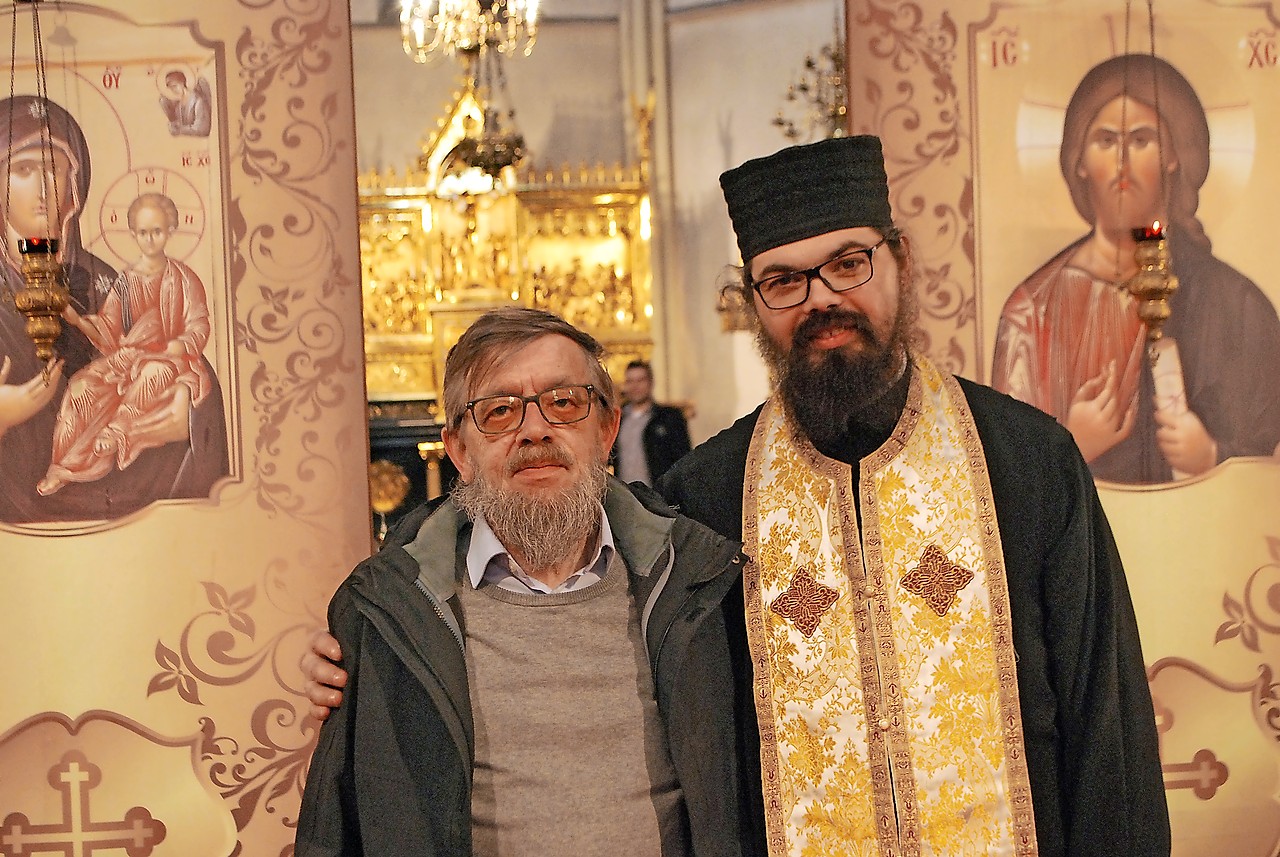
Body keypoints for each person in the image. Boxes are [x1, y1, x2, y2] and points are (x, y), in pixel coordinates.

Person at [306, 137, 1169, 854]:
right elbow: (523, 500)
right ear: (755, 302)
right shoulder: (708, 494)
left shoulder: (1027, 460)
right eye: (784, 280)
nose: (822, 299)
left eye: (848, 263)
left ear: (898, 262)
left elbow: (1108, 723)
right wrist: (361, 629)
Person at [294, 307, 754, 856]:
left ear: (607, 430)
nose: (534, 430)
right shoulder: (387, 612)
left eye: (564, 403)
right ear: (459, 451)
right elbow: (334, 828)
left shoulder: (698, 584)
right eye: (500, 411)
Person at [992, 54, 1280, 483]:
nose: (1122, 160)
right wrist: (1073, 445)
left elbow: (1264, 462)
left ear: (1174, 156)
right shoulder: (1032, 309)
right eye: (1106, 141)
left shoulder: (1235, 303)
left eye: (1142, 139)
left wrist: (1215, 455)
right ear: (1080, 161)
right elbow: (1008, 472)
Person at [0, 95, 227, 523]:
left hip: (120, 509)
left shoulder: (103, 277)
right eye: (24, 170)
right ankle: (65, 467)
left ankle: (120, 439)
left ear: (76, 184)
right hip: (12, 518)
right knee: (85, 393)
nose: (44, 188)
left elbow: (174, 347)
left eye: (55, 170)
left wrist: (190, 413)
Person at [37, 192, 216, 495]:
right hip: (127, 358)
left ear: (170, 230)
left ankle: (117, 432)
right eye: (143, 232)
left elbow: (199, 324)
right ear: (133, 233)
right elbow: (109, 326)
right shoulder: (126, 280)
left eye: (157, 231)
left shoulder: (184, 278)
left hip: (169, 361)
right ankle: (62, 467)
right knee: (80, 386)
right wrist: (78, 321)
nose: (150, 239)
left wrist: (181, 344)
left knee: (150, 376)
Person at [610, 358, 692, 486]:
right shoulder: (617, 419)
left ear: (651, 382)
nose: (635, 386)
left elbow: (683, 460)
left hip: (659, 495)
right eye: (630, 381)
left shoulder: (669, 418)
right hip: (627, 496)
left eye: (640, 380)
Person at [159, 71, 211, 137]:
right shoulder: (178, 106)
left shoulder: (198, 101)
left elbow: (202, 129)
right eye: (170, 88)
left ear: (182, 83)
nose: (173, 90)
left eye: (174, 86)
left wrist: (180, 130)